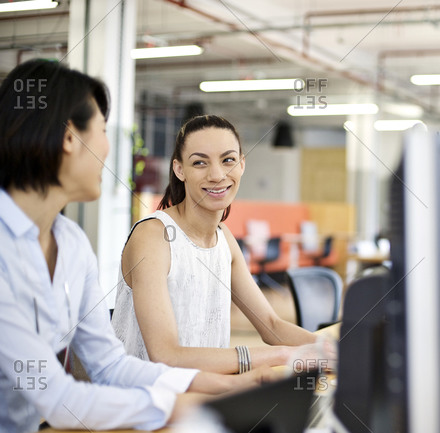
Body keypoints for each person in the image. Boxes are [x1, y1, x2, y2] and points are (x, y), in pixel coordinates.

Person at [0, 59, 277, 433]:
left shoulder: (71, 244)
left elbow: (110, 365)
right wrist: (180, 406)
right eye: (102, 129)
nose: (108, 147)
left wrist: (231, 385)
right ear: (70, 139)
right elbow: (57, 398)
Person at [111, 115, 332, 375]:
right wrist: (281, 355)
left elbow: (271, 324)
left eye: (228, 160)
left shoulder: (223, 238)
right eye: (199, 162)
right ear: (179, 170)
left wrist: (331, 348)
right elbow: (166, 355)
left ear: (242, 165)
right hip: (143, 402)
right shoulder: (153, 236)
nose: (217, 175)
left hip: (204, 393)